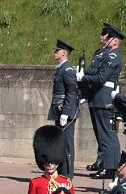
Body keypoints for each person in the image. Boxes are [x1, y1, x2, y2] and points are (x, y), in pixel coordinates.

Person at [78, 24, 124, 179]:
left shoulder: (113, 56)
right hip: (98, 96)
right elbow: (95, 70)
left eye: (109, 37)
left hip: (104, 97)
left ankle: (111, 167)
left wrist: (83, 77)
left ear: (115, 41)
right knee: (103, 134)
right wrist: (82, 71)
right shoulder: (106, 54)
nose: (106, 40)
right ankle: (107, 164)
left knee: (107, 135)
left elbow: (101, 78)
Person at [48, 40, 78, 179]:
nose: (55, 52)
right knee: (60, 142)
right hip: (59, 108)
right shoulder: (61, 68)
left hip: (65, 110)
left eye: (57, 50)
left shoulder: (67, 69)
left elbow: (71, 93)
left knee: (66, 143)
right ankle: (61, 170)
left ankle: (68, 173)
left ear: (64, 53)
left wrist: (66, 113)